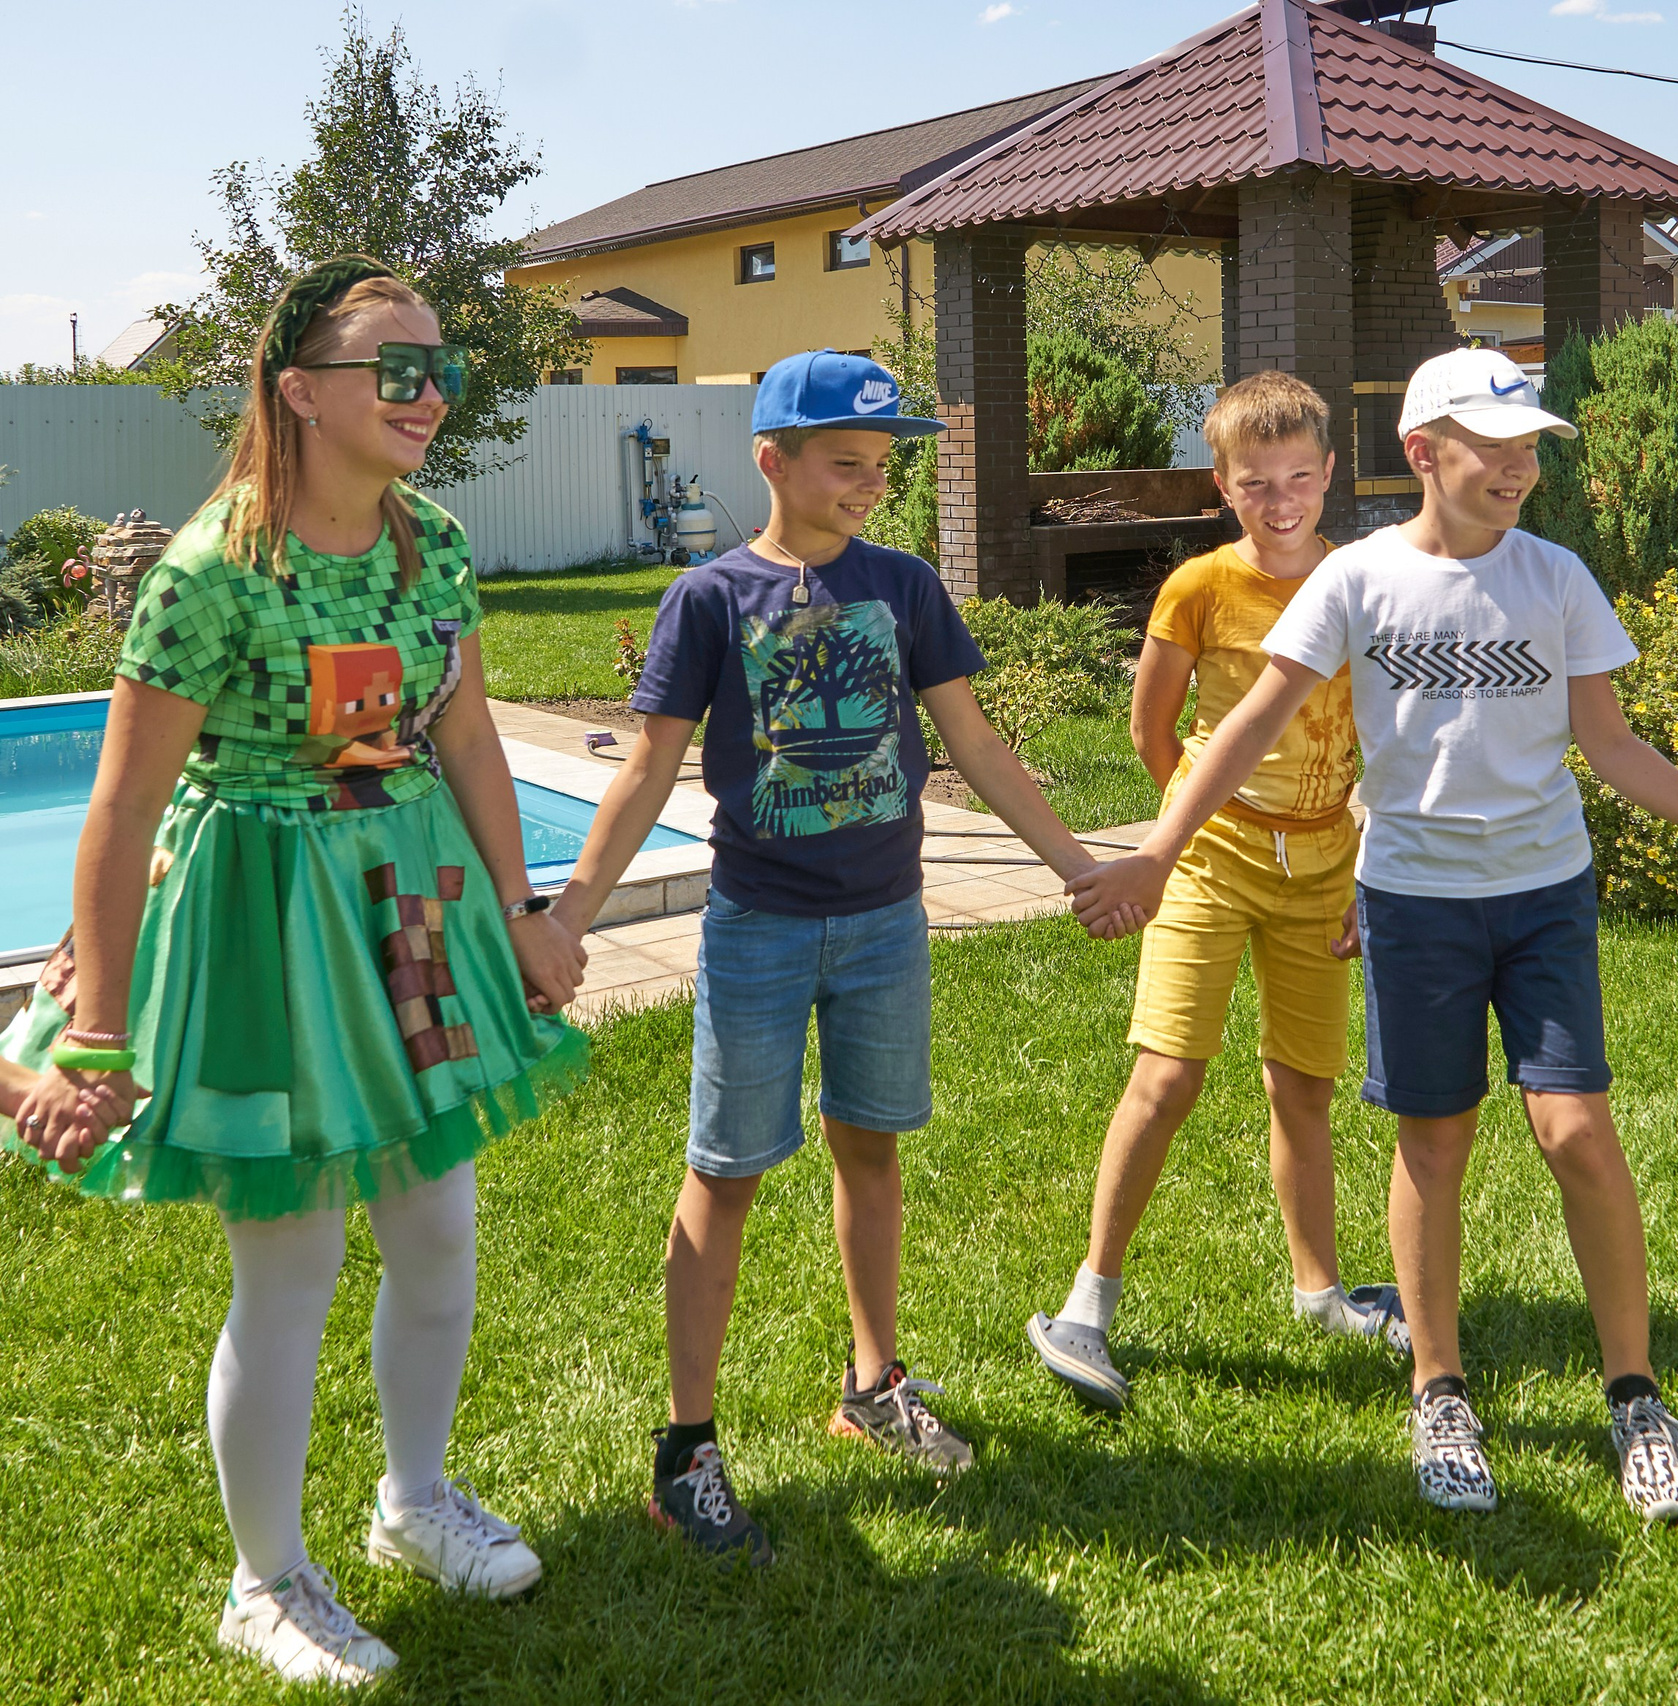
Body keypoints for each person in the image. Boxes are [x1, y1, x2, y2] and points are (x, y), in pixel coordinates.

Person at [1068, 346, 1678, 1519]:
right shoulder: (1359, 582)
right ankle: (1440, 1388)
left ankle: (1634, 1393)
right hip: (1412, 898)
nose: (1519, 469)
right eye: (1494, 447)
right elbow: (1239, 728)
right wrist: (1155, 845)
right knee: (1432, 1141)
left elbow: (1613, 743)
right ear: (1423, 451)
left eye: (1529, 447)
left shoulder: (1555, 579)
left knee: (1576, 1126)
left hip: (1541, 890)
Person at [2, 257, 590, 1688]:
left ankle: (413, 1500)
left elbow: (469, 744)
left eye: (439, 366)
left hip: (408, 910)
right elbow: (123, 813)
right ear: (300, 389)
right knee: (295, 1259)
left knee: (438, 1230)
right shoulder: (211, 575)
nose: (430, 393)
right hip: (263, 922)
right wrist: (93, 1029)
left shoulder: (431, 547)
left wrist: (523, 908)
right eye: (396, 368)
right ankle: (264, 1582)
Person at [552, 349, 1140, 1565]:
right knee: (725, 1169)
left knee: (869, 1147)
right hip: (758, 927)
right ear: (771, 458)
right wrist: (566, 916)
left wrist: (1073, 860)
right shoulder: (711, 596)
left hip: (886, 922)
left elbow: (973, 743)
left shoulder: (905, 584)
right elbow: (649, 767)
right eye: (844, 464)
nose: (867, 485)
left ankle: (874, 1382)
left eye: (881, 466)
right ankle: (687, 1450)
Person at [1028, 373, 1404, 1412]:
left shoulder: (1365, 579)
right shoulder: (1196, 586)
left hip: (1326, 864)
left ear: (1330, 472)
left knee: (1304, 1087)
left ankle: (1319, 1288)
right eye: (1255, 483)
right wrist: (1178, 834)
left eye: (1298, 477)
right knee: (1168, 1073)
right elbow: (1154, 732)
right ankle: (1087, 1302)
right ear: (1222, 484)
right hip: (1209, 857)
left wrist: (1366, 862)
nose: (1279, 500)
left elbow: (1386, 734)